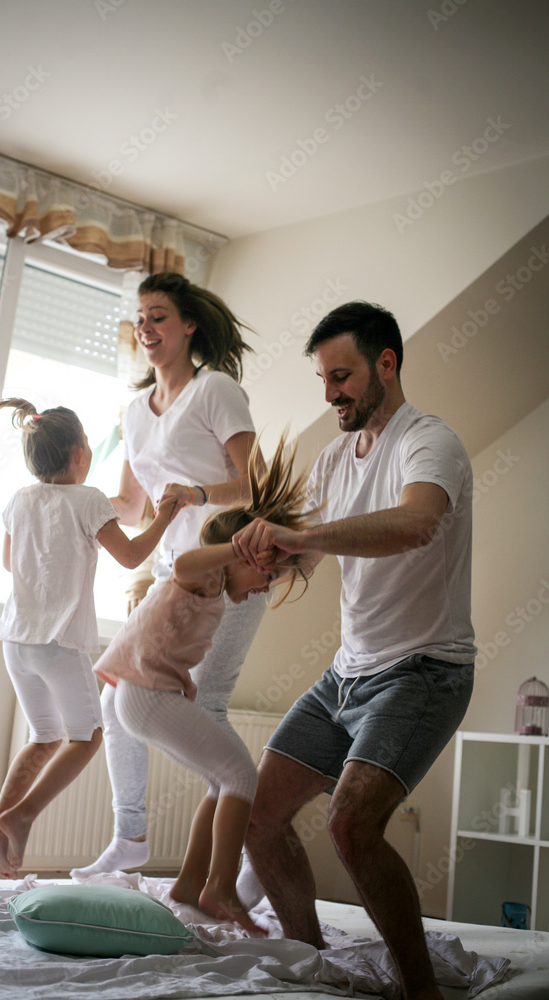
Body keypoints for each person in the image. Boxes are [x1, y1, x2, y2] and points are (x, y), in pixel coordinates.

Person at [231, 302, 476, 1000]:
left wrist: (302, 538)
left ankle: (419, 990)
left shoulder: (429, 442)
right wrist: (269, 559)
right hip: (345, 675)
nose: (330, 392)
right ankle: (316, 961)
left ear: (386, 365)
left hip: (424, 670)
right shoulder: (336, 457)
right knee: (257, 815)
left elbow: (414, 525)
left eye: (341, 376)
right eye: (322, 378)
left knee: (349, 825)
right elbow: (310, 555)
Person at [71, 272, 268, 879]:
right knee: (116, 699)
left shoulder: (215, 391)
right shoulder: (134, 410)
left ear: (189, 326)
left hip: (224, 571)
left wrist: (200, 491)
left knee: (206, 704)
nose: (147, 328)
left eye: (159, 316)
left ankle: (251, 846)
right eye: (141, 318)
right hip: (168, 580)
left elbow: (258, 481)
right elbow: (132, 505)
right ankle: (131, 836)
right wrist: (65, 501)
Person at [92, 438, 316, 933]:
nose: (264, 588)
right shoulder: (202, 576)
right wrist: (231, 550)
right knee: (242, 777)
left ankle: (191, 886)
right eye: (265, 575)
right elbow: (188, 563)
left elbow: (293, 564)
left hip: (146, 697)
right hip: (145, 697)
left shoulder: (218, 589)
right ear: (237, 555)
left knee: (225, 779)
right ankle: (220, 887)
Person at [0, 398, 178, 879]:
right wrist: (164, 515)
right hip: (59, 644)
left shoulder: (19, 500)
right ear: (81, 454)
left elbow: (8, 562)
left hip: (16, 641)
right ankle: (20, 815)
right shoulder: (89, 500)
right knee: (89, 737)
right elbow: (130, 556)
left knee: (44, 737)